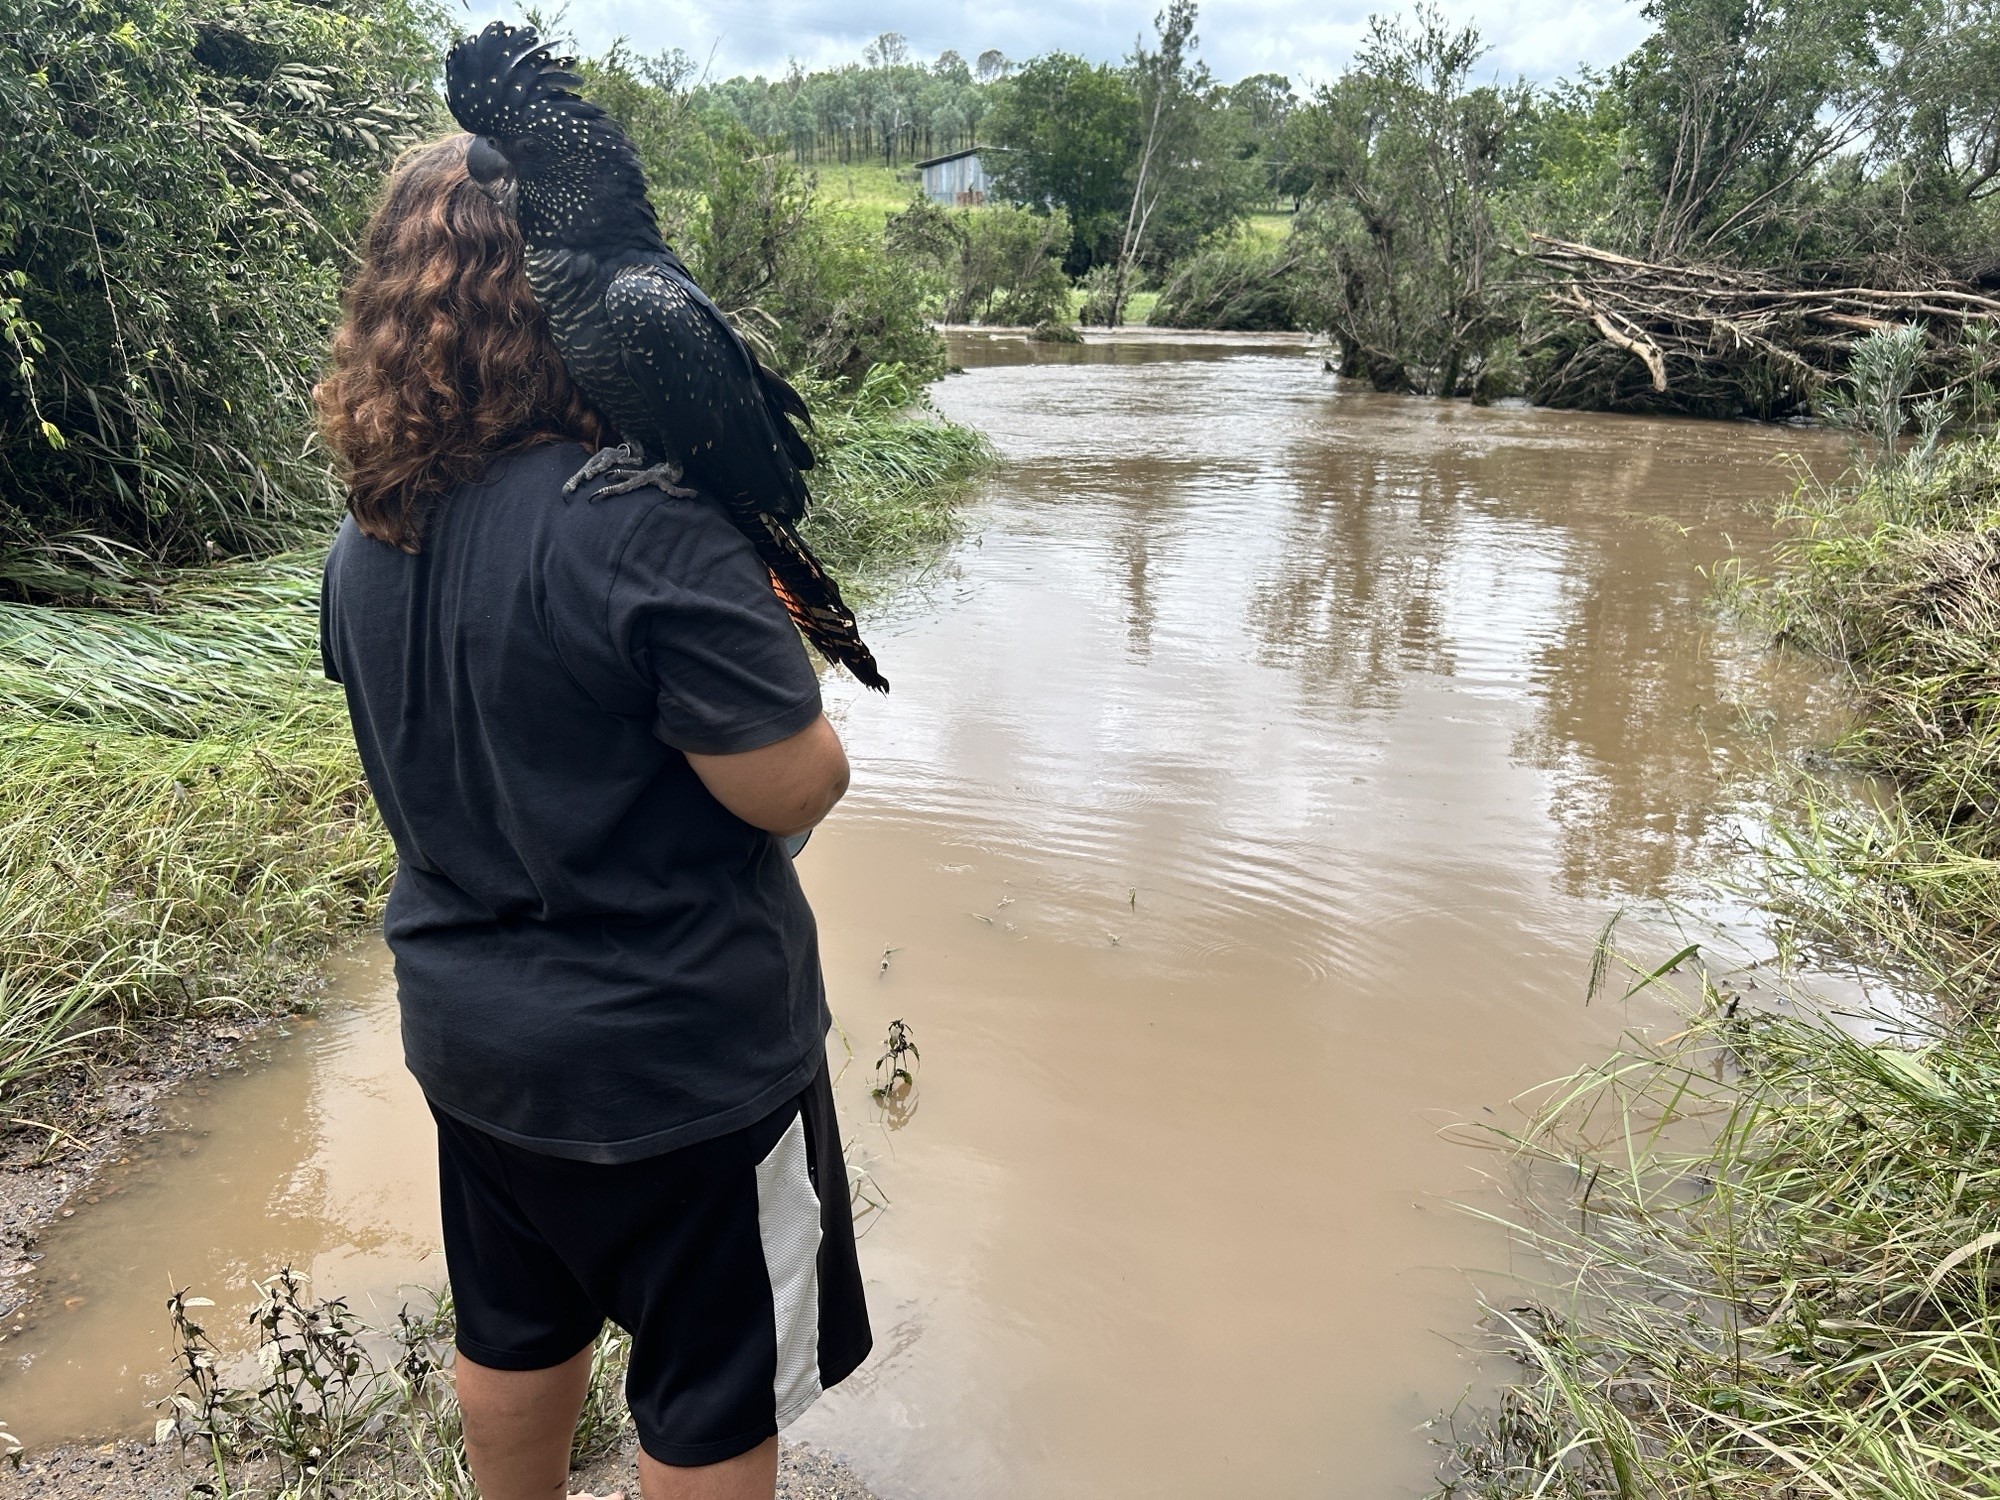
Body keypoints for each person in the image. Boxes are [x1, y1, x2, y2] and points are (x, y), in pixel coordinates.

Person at [314, 135, 871, 1500]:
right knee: (706, 1390)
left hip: (476, 1051)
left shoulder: (365, 537)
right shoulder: (645, 528)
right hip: (674, 1069)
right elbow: (793, 782)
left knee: (517, 1324)